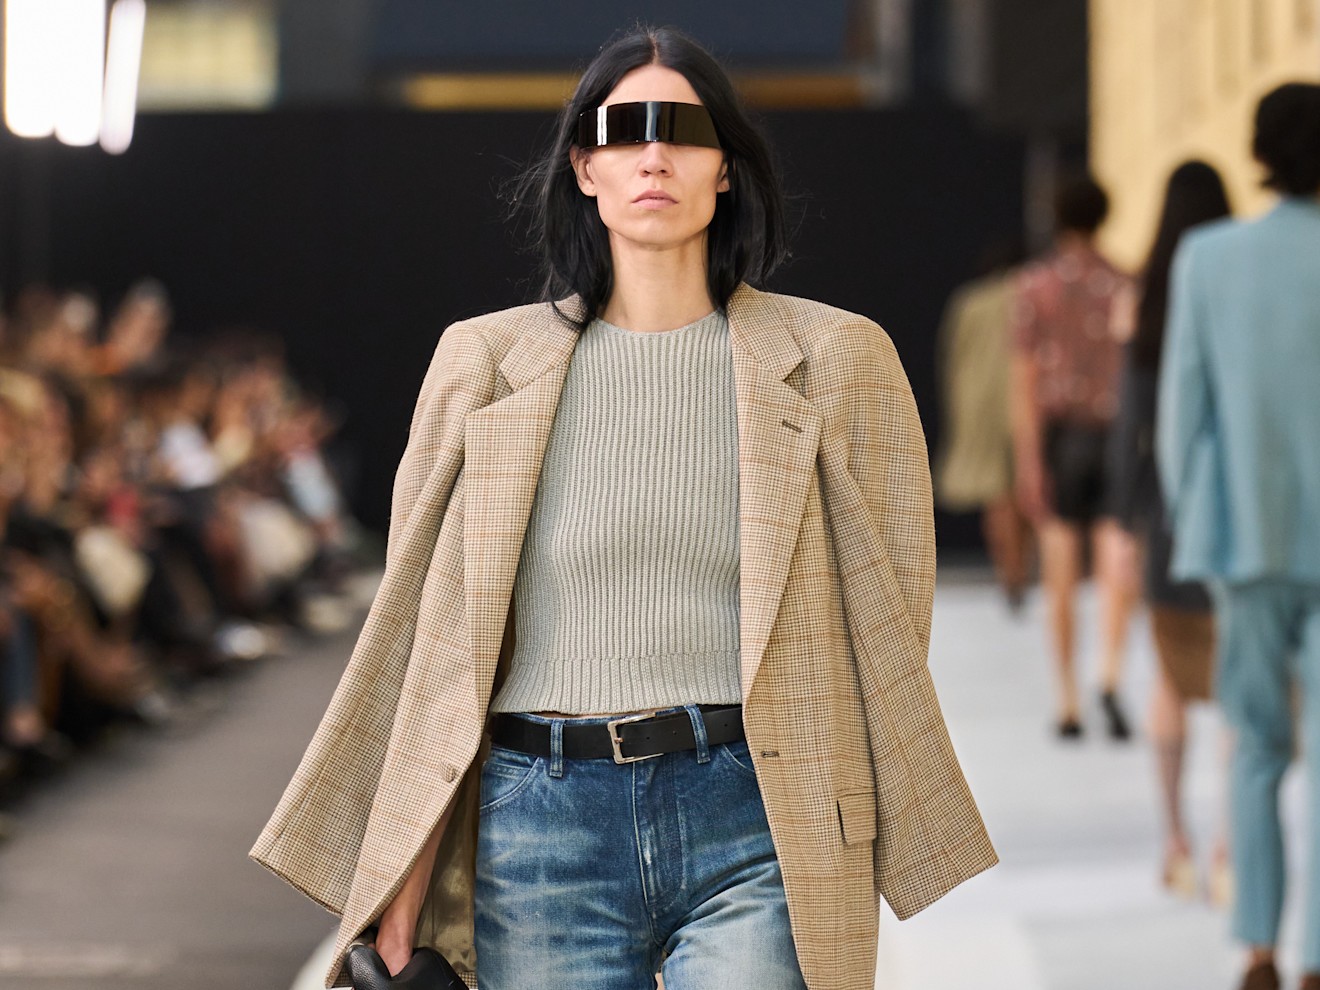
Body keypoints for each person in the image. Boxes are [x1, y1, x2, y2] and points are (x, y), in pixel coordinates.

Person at [251, 25, 996, 990]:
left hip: (757, 808)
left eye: (684, 130)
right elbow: (433, 644)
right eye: (625, 130)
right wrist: (403, 884)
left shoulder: (837, 360)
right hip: (542, 821)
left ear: (725, 167)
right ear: (584, 167)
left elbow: (894, 609)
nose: (655, 153)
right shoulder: (483, 365)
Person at [1157, 82, 1320, 990]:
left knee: (1258, 748)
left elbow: (1186, 419)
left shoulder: (1209, 259)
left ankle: (1256, 945)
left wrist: (1204, 523)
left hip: (1246, 539)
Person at [1110, 160, 1232, 901]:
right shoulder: (1235, 284)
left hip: (1166, 515)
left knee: (1170, 685)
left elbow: (1133, 425)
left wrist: (1126, 523)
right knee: (1239, 689)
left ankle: (1177, 840)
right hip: (1239, 510)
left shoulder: (1147, 300)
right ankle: (1227, 847)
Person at [1011, 174, 1136, 741]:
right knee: (1117, 550)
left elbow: (1024, 380)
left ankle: (1066, 699)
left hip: (1061, 435)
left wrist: (1028, 460)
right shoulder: (1124, 283)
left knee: (1059, 564)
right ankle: (1108, 671)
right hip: (1117, 432)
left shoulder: (1035, 286)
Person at [934, 239, 1032, 612]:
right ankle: (1025, 569)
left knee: (997, 495)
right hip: (1027, 399)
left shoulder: (970, 301)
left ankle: (1010, 574)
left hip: (980, 403)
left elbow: (954, 356)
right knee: (1030, 492)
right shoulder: (1031, 293)